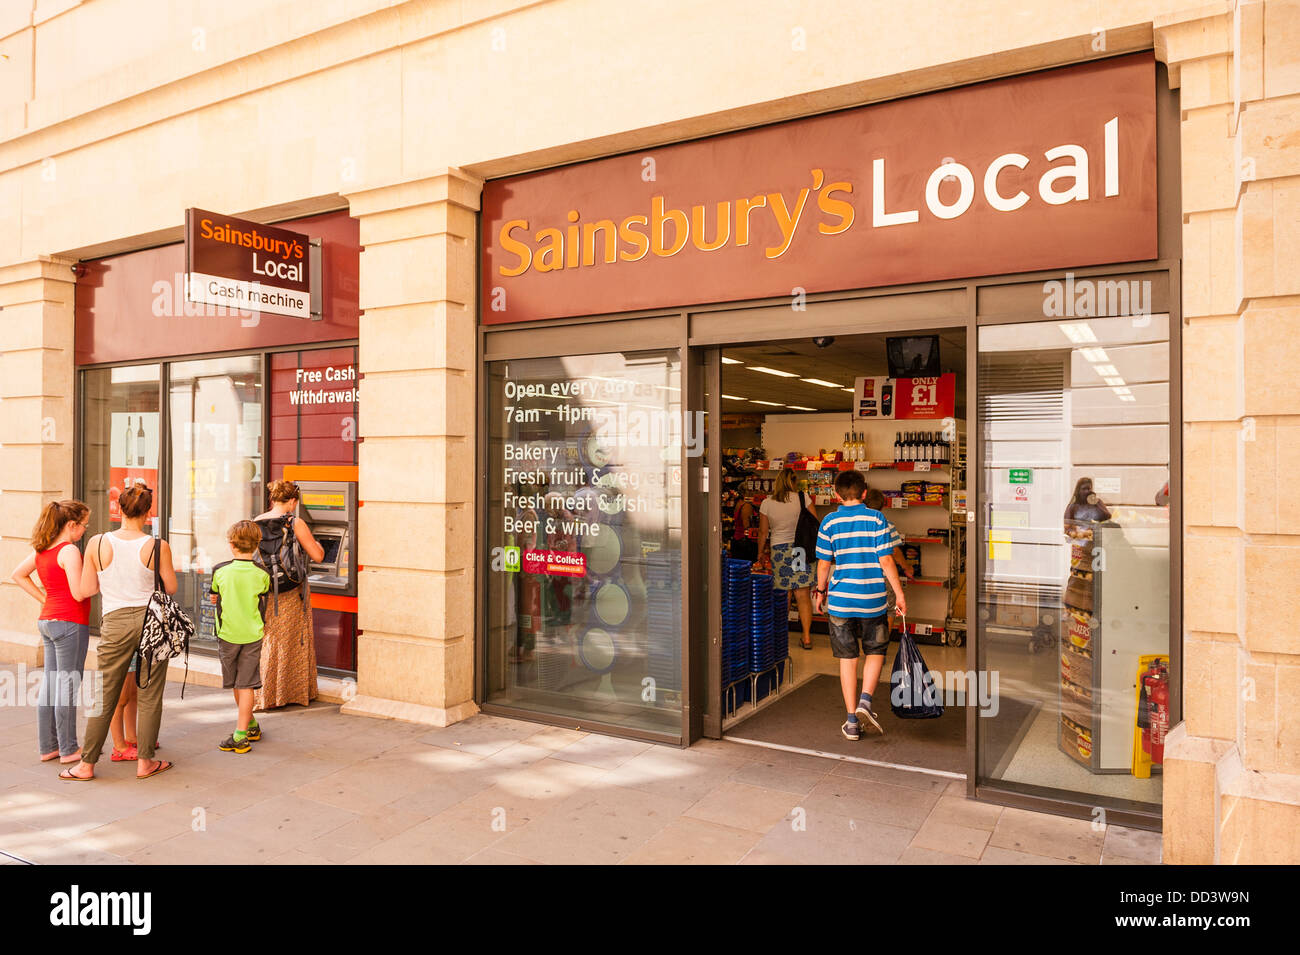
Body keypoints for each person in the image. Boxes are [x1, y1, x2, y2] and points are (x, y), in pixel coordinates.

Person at [61, 485, 176, 780]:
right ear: (149, 512)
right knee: (150, 694)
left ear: (119, 509)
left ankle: (86, 765)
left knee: (105, 693)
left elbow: (87, 589)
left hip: (114, 621)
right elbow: (171, 587)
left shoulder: (97, 542)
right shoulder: (157, 545)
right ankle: (145, 762)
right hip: (151, 622)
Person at [812, 469, 907, 742]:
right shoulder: (877, 518)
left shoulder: (828, 522)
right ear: (864, 493)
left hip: (841, 601)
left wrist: (820, 591)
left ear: (835, 494)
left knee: (847, 658)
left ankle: (852, 721)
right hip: (873, 599)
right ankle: (866, 700)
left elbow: (823, 564)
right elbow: (887, 561)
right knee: (875, 651)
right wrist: (899, 594)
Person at [9, 500, 92, 764]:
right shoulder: (68, 551)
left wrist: (44, 599)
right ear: (71, 525)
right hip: (70, 623)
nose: (85, 531)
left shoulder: (42, 549)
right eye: (84, 525)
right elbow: (79, 593)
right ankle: (69, 749)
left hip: (48, 621)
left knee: (50, 685)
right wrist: (97, 582)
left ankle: (48, 747)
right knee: (67, 686)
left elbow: (17, 575)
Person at [252, 480, 325, 710]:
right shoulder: (295, 522)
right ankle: (290, 692)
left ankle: (267, 694)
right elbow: (318, 556)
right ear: (292, 502)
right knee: (293, 640)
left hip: (265, 593)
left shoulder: (255, 522)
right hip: (292, 593)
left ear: (273, 499)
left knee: (270, 640)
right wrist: (320, 546)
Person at [210, 521, 271, 754]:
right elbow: (262, 597)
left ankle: (240, 736)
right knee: (245, 684)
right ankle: (250, 725)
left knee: (239, 684)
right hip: (253, 634)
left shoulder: (220, 570)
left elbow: (216, 596)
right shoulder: (262, 574)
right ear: (256, 546)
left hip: (227, 634)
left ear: (231, 544)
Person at [758, 468, 818, 650]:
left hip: (779, 550)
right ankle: (806, 637)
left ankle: (781, 636)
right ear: (794, 482)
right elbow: (815, 522)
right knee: (802, 594)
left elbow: (763, 532)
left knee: (783, 594)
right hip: (800, 549)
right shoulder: (803, 498)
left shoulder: (767, 503)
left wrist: (760, 552)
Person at [863, 488, 916, 582]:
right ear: (883, 506)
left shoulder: (856, 525)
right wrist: (906, 568)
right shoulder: (886, 525)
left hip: (859, 576)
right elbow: (894, 551)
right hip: (882, 577)